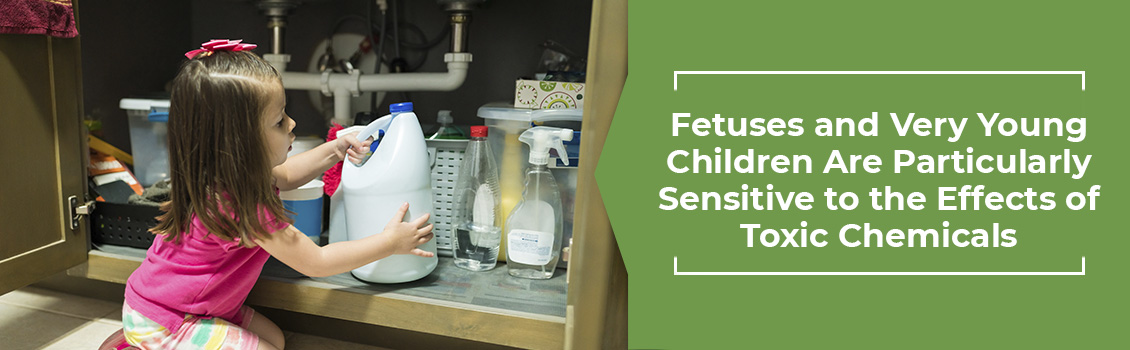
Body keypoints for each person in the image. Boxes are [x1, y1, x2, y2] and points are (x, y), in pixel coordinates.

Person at [121, 39, 434, 350]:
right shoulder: (239, 205)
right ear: (239, 142)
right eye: (279, 120)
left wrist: (336, 149)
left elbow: (285, 175)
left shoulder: (227, 174)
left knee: (275, 340)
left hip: (178, 304)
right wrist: (391, 243)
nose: (292, 123)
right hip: (168, 320)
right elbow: (318, 263)